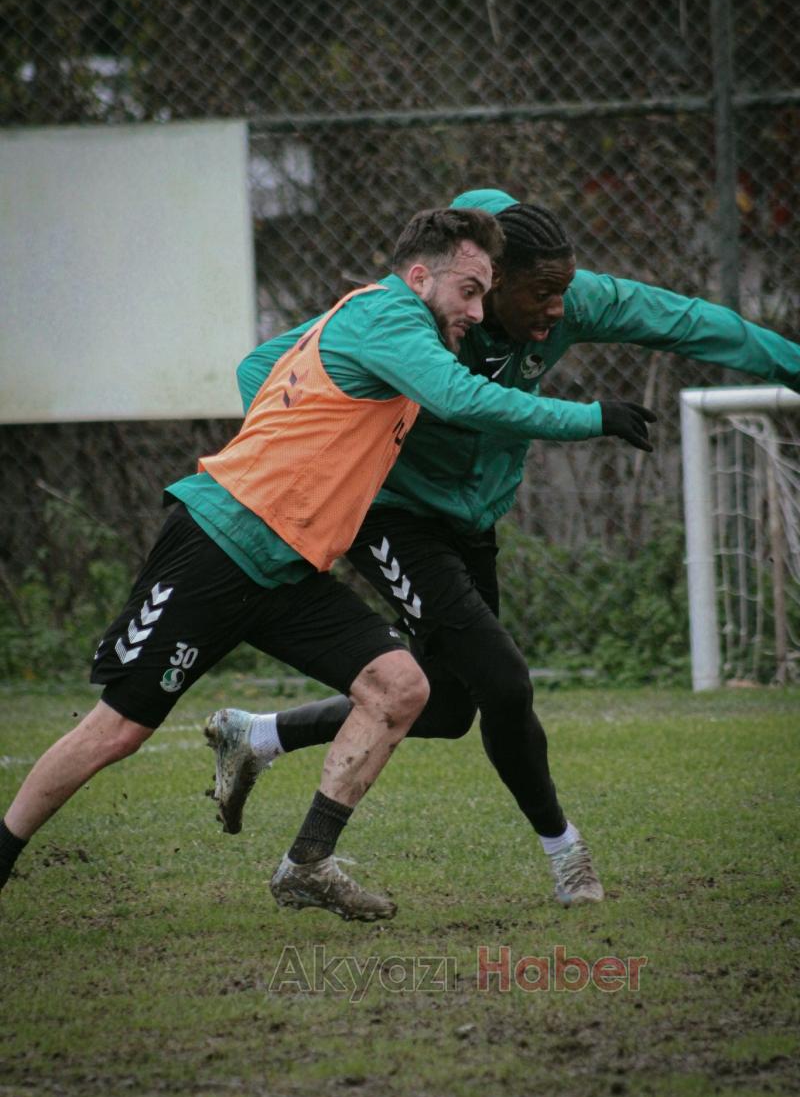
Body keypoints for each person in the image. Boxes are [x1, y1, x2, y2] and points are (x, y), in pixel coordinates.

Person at [0, 205, 656, 922]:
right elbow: (462, 397)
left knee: (401, 686)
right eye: (468, 290)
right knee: (117, 730)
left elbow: (265, 369)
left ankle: (306, 862)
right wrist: (593, 416)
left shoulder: (393, 326)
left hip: (287, 570)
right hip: (219, 547)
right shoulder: (389, 320)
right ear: (418, 277)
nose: (477, 309)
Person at [203, 188, 800, 909]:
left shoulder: (569, 303)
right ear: (487, 278)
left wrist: (791, 362)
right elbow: (260, 368)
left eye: (565, 293)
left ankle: (257, 734)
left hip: (469, 519)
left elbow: (689, 320)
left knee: (452, 706)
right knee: (506, 680)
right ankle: (565, 854)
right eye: (541, 293)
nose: (558, 310)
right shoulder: (406, 316)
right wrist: (332, 450)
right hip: (391, 515)